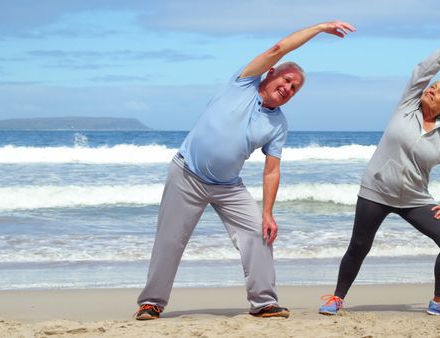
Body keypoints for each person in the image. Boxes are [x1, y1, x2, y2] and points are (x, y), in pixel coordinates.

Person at [134, 21, 356, 320]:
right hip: (187, 174)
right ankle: (152, 302)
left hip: (228, 186)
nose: (288, 88)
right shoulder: (243, 83)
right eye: (287, 80)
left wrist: (268, 212)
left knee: (259, 233)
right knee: (170, 240)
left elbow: (271, 171)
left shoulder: (278, 124)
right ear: (271, 73)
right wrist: (319, 28)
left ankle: (264, 302)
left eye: (294, 88)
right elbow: (279, 48)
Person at [318, 36, 440, 316]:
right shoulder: (407, 106)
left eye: (439, 92)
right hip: (376, 192)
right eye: (433, 87)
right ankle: (336, 298)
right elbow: (424, 69)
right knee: (359, 246)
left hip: (414, 199)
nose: (432, 89)